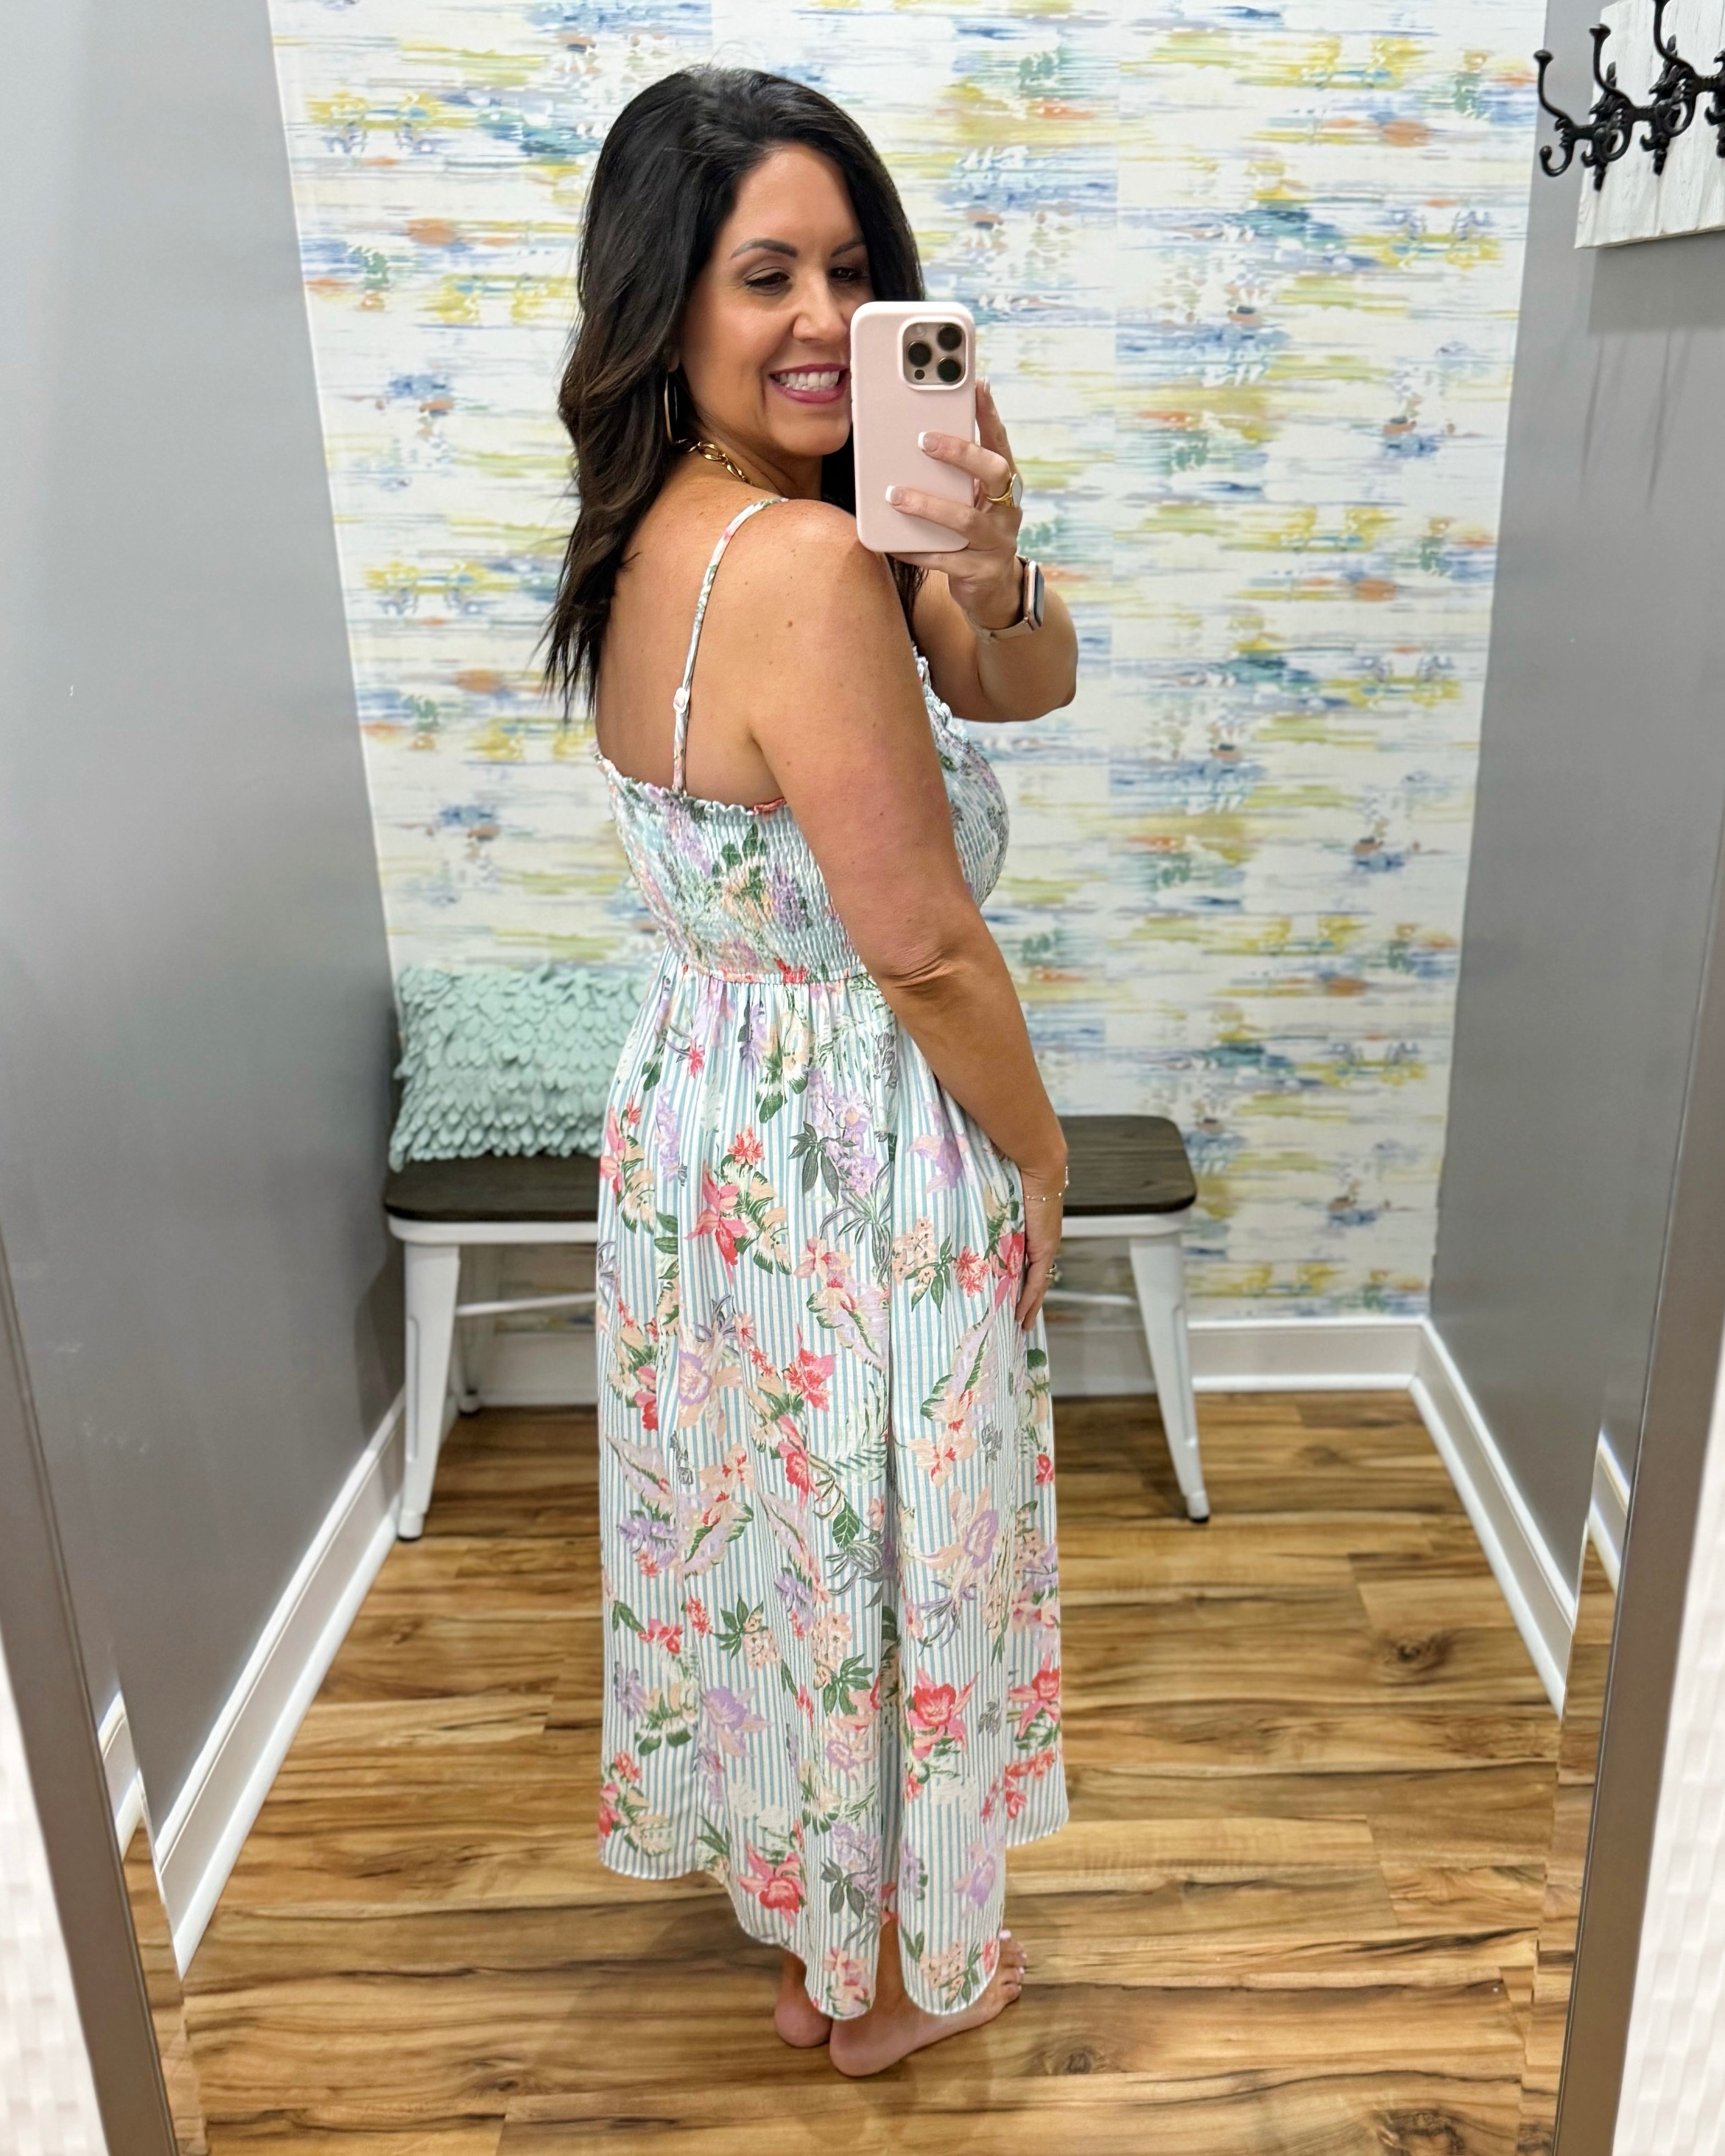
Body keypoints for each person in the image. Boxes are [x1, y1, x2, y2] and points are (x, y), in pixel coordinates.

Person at [544, 66, 1078, 2078]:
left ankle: (815, 1919)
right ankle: (892, 1978)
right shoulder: (798, 567)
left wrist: (988, 564)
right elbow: (920, 942)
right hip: (853, 1134)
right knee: (898, 1540)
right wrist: (1039, 1158)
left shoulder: (677, 528)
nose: (819, 318)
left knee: (782, 1536)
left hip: (711, 1116)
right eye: (764, 272)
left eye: (850, 272)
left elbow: (1019, 685)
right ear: (663, 296)